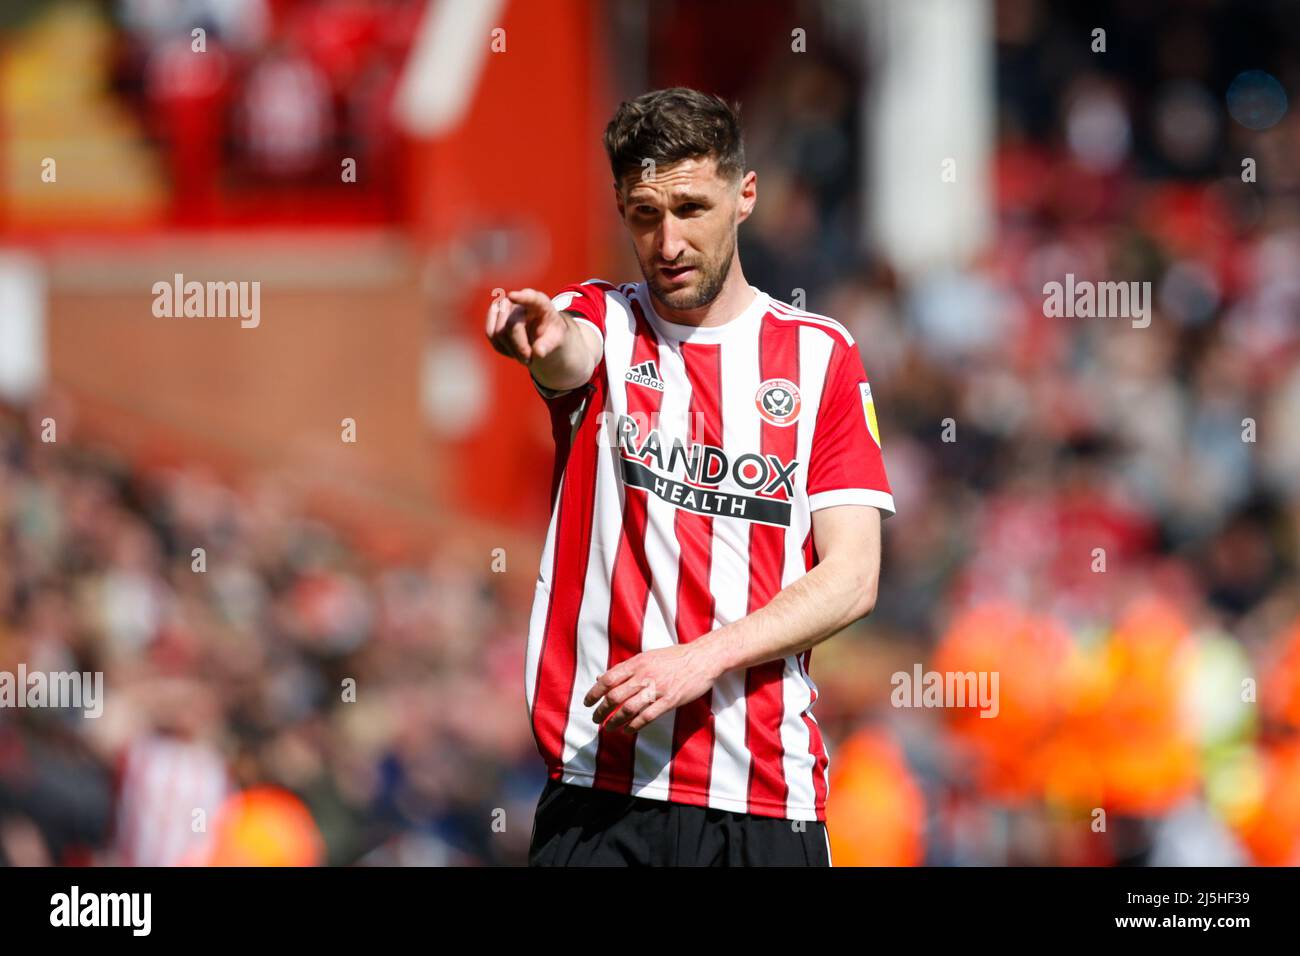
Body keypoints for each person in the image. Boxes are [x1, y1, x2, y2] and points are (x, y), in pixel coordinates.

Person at [485, 87, 894, 866]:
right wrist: (535, 341)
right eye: (644, 214)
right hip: (601, 798)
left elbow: (854, 576)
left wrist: (702, 656)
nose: (668, 241)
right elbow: (563, 347)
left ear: (745, 195)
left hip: (764, 801)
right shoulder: (602, 323)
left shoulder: (821, 356)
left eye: (691, 208)